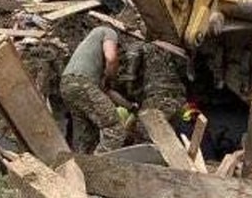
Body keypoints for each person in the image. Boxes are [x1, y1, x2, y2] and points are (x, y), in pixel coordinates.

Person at [60, 23, 187, 153]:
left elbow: (107, 91)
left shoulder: (90, 59)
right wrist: (110, 76)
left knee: (85, 132)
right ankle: (99, 161)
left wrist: (131, 107)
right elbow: (111, 58)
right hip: (83, 83)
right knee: (114, 127)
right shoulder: (107, 31)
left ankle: (81, 160)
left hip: (66, 86)